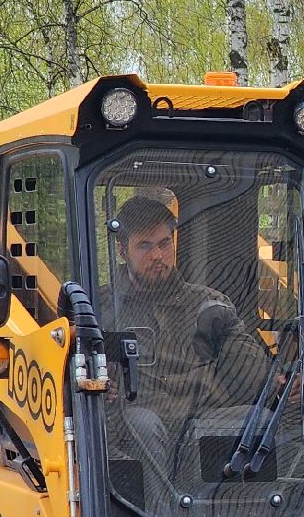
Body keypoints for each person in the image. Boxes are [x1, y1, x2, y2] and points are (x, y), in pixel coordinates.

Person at [105, 190, 272, 451]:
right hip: (133, 433)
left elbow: (250, 372)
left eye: (164, 243)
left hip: (200, 424)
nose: (158, 256)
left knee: (260, 421)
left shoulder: (209, 303)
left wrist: (279, 383)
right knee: (142, 425)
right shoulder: (100, 308)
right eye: (145, 246)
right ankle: (159, 494)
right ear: (122, 250)